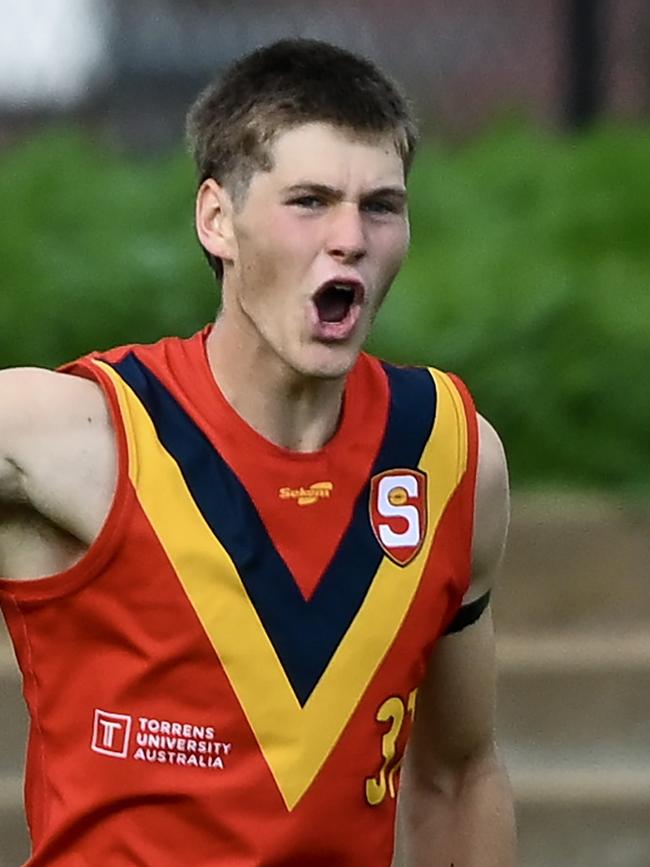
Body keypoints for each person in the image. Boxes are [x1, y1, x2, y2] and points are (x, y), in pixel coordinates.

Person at [0, 38, 516, 867]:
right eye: (309, 200)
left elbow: (459, 776)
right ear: (217, 218)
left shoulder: (450, 454)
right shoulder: (71, 433)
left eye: (381, 205)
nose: (350, 236)